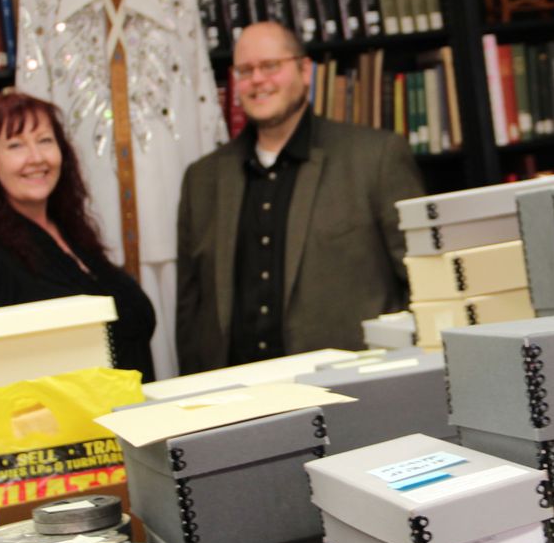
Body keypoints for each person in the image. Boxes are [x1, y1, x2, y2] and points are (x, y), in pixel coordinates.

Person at [176, 21, 424, 373]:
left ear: (305, 71)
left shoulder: (375, 157)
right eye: (245, 71)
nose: (257, 80)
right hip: (237, 404)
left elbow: (423, 282)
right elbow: (190, 310)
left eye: (271, 66)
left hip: (351, 391)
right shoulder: (201, 179)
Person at [0, 92, 156, 382]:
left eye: (45, 140)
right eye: (15, 145)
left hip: (130, 418)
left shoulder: (74, 234)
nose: (36, 158)